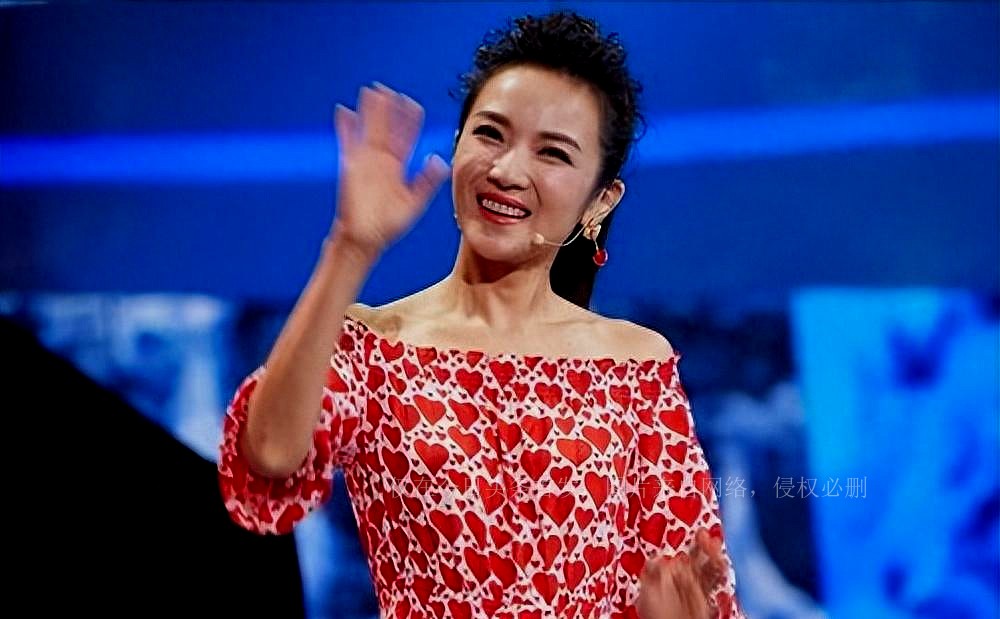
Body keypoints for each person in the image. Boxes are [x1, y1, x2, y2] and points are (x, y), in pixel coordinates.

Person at [218, 11, 747, 619]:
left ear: (599, 202)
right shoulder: (374, 347)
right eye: (491, 134)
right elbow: (270, 456)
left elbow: (695, 586)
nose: (506, 171)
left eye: (553, 153)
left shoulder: (635, 368)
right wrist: (350, 247)